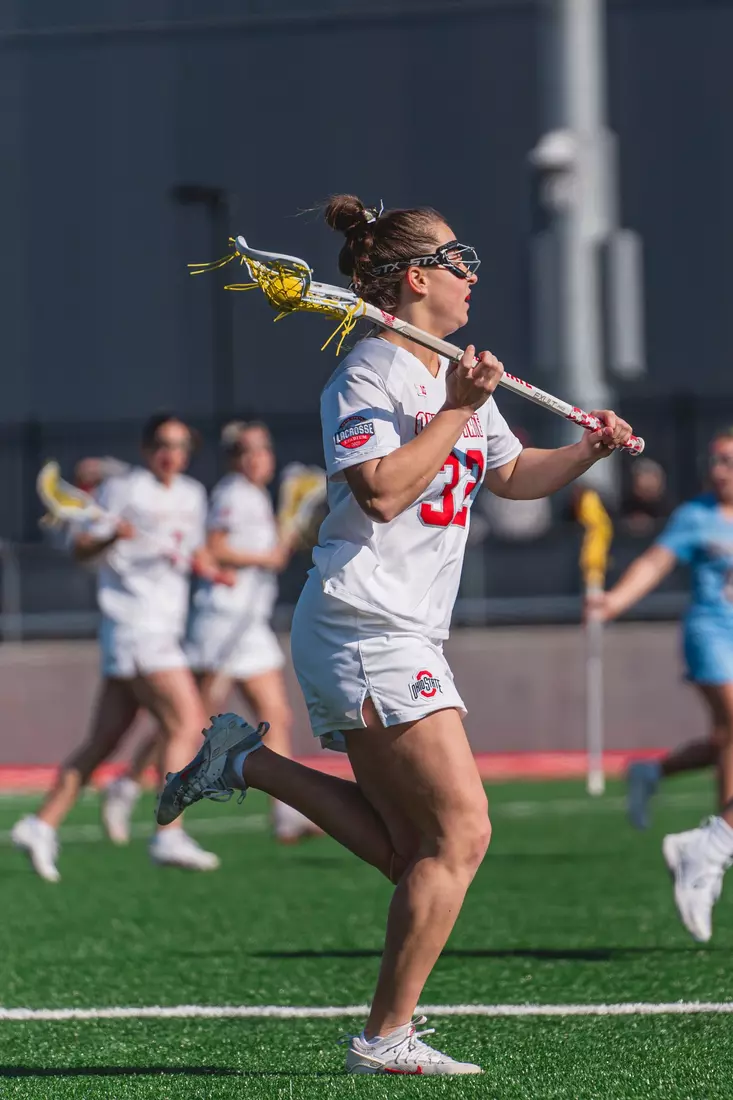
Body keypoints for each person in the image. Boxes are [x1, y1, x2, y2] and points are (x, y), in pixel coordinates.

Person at [157, 195, 632, 1074]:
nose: (471, 275)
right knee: (460, 837)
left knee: (413, 850)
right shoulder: (368, 374)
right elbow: (378, 490)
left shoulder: (458, 369)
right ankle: (383, 1037)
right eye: (459, 260)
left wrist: (588, 453)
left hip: (400, 625)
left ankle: (243, 761)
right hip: (363, 618)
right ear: (417, 278)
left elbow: (513, 475)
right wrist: (454, 409)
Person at [13, 414, 230, 880]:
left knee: (103, 742)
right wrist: (112, 535)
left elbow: (192, 551)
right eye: (161, 444)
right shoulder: (123, 491)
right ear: (146, 447)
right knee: (187, 723)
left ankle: (40, 823)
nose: (170, 453)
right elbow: (82, 549)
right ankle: (169, 834)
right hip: (136, 626)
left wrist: (210, 568)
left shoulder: (193, 494)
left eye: (179, 445)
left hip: (163, 629)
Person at [587, 428, 733, 943]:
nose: (720, 470)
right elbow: (655, 562)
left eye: (729, 462)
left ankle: (674, 795)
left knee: (725, 741)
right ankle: (715, 845)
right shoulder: (696, 516)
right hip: (714, 634)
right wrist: (615, 601)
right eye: (715, 460)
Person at [186, 419, 320, 843]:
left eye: (262, 448)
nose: (257, 457)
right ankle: (131, 783)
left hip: (250, 624)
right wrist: (267, 558)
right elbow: (215, 548)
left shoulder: (257, 496)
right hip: (223, 620)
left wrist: (278, 548)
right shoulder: (232, 493)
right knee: (187, 721)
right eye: (247, 450)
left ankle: (285, 815)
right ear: (233, 458)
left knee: (276, 716)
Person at [619, 457, 670, 536]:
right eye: (643, 476)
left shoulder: (671, 512)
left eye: (651, 477)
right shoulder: (623, 507)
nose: (647, 484)